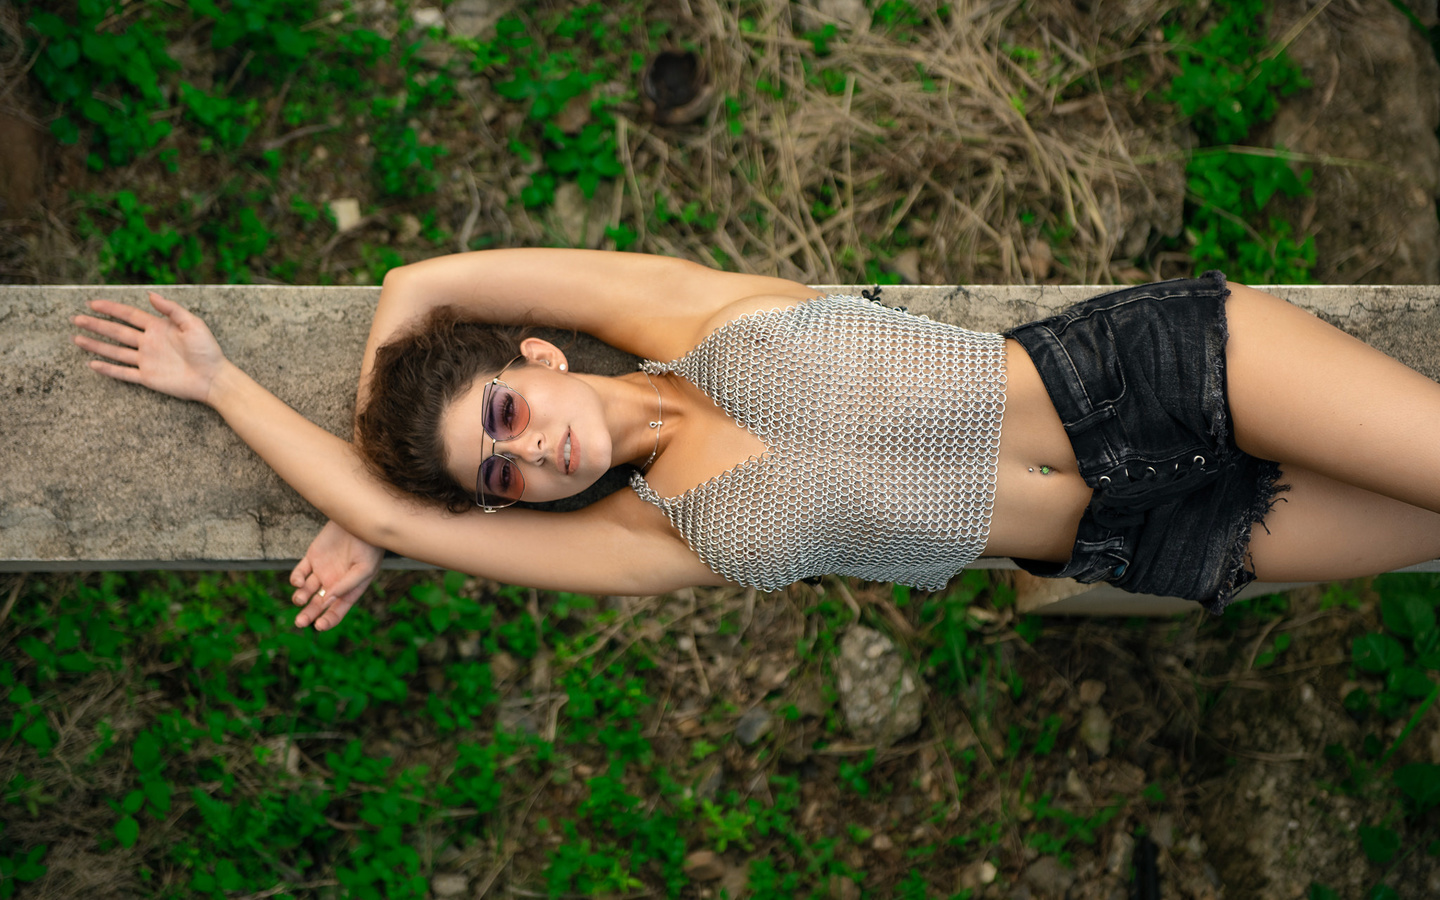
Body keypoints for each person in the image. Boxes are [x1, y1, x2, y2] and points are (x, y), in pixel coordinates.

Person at [71, 249, 1440, 630]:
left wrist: (379, 460)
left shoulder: (685, 313)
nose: (528, 448)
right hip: (1145, 534)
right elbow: (416, 526)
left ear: (536, 355)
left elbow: (418, 287)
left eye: (504, 411)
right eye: (499, 471)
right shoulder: (649, 542)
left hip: (1156, 379)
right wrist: (224, 389)